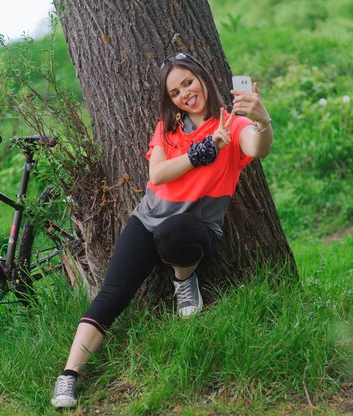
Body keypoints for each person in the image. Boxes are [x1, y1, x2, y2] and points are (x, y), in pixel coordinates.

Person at [51, 52, 274, 409]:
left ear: (202, 78)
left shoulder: (231, 125)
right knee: (112, 293)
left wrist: (261, 120)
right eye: (175, 92)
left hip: (194, 229)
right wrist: (201, 151)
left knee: (176, 231)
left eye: (188, 82)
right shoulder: (167, 130)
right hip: (147, 218)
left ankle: (184, 281)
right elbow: (157, 175)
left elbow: (257, 147)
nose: (185, 94)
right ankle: (69, 376)